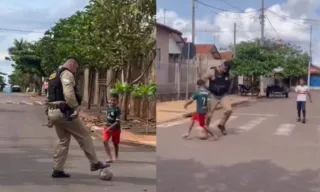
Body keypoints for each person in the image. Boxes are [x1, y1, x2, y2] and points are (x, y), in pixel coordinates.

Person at [47, 57, 109, 178]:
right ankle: (95, 163)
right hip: (65, 112)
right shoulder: (66, 73)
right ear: (72, 64)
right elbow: (68, 93)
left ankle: (57, 169)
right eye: (76, 68)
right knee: (84, 135)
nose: (76, 71)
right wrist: (75, 107)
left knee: (63, 141)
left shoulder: (53, 75)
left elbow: (49, 95)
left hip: (53, 111)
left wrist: (49, 116)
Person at [202, 61, 233, 135]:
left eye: (227, 69)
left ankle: (221, 125)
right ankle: (206, 130)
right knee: (209, 114)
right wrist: (205, 89)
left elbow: (231, 81)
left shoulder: (228, 74)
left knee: (229, 110)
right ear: (221, 65)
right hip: (213, 95)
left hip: (223, 95)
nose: (225, 71)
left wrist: (228, 90)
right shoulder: (212, 72)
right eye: (224, 69)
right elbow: (203, 80)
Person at [103, 93, 122, 163]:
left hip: (116, 129)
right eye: (111, 100)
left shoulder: (117, 110)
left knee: (115, 143)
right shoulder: (108, 107)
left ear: (117, 102)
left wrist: (109, 128)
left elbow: (117, 122)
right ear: (108, 100)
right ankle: (109, 157)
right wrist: (106, 126)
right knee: (105, 141)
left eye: (114, 101)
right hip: (107, 127)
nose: (112, 102)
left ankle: (116, 156)